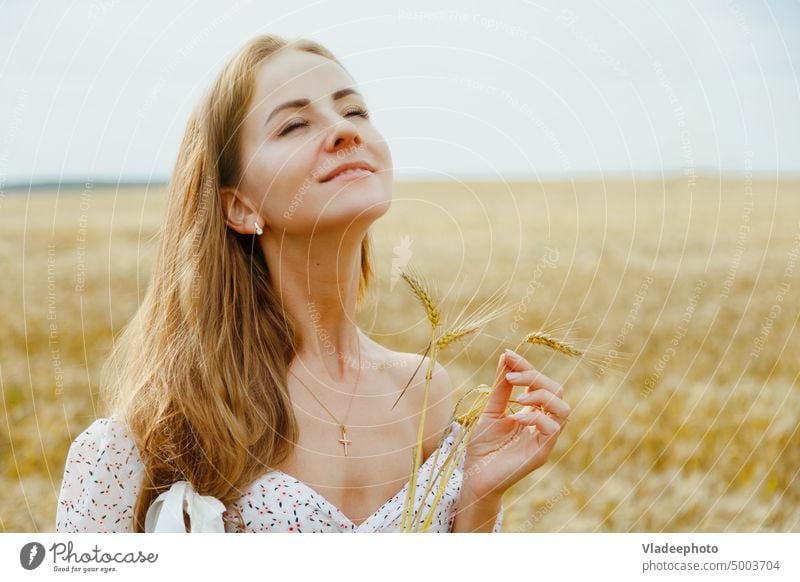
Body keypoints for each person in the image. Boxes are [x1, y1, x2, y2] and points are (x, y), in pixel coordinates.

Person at [56, 34, 571, 533]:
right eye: (294, 125)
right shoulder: (157, 432)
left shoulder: (425, 392)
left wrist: (479, 497)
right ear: (240, 206)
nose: (345, 132)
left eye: (354, 111)